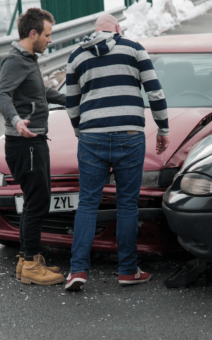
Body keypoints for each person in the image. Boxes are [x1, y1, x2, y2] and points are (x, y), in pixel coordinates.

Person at [64, 14, 170, 291]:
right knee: (126, 204)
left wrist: (80, 130)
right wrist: (163, 128)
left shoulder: (76, 56)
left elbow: (71, 103)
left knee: (87, 203)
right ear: (117, 29)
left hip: (91, 137)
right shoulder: (134, 49)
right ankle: (127, 270)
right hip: (130, 136)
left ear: (96, 31)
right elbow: (155, 92)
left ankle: (77, 270)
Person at [0, 8, 66, 286]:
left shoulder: (29, 59)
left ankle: (27, 262)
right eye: (47, 35)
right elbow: (2, 95)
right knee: (37, 203)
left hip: (32, 142)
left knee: (34, 201)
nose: (50, 40)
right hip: (26, 144)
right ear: (33, 33)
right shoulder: (15, 61)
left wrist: (70, 99)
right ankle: (31, 263)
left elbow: (40, 93)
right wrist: (15, 120)